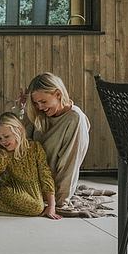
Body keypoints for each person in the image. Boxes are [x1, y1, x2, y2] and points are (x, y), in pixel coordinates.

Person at [0, 112, 61, 219]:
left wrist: (52, 206)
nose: (3, 141)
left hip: (32, 189)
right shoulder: (4, 154)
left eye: (6, 136)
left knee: (38, 205)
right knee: (37, 208)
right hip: (10, 187)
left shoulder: (35, 148)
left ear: (19, 131)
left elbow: (45, 175)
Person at [22, 72, 90, 207]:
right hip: (29, 173)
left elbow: (70, 162)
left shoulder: (74, 118)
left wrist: (60, 200)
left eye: (43, 101)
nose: (40, 107)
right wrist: (22, 109)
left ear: (58, 95)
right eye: (36, 103)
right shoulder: (40, 113)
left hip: (47, 184)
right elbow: (19, 142)